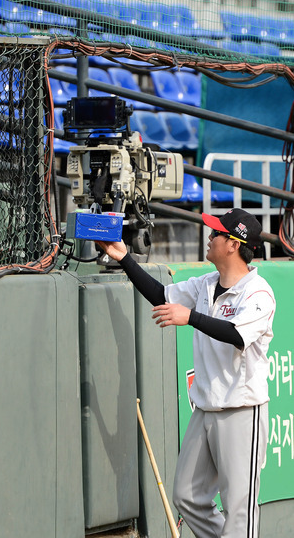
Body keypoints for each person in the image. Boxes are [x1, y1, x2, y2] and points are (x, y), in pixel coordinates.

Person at [97, 208, 275, 538]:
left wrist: (190, 317)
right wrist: (124, 258)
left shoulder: (258, 292)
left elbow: (236, 334)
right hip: (205, 408)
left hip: (241, 411)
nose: (210, 237)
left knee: (239, 510)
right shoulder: (206, 283)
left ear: (233, 245)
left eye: (216, 233)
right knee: (187, 497)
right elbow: (161, 296)